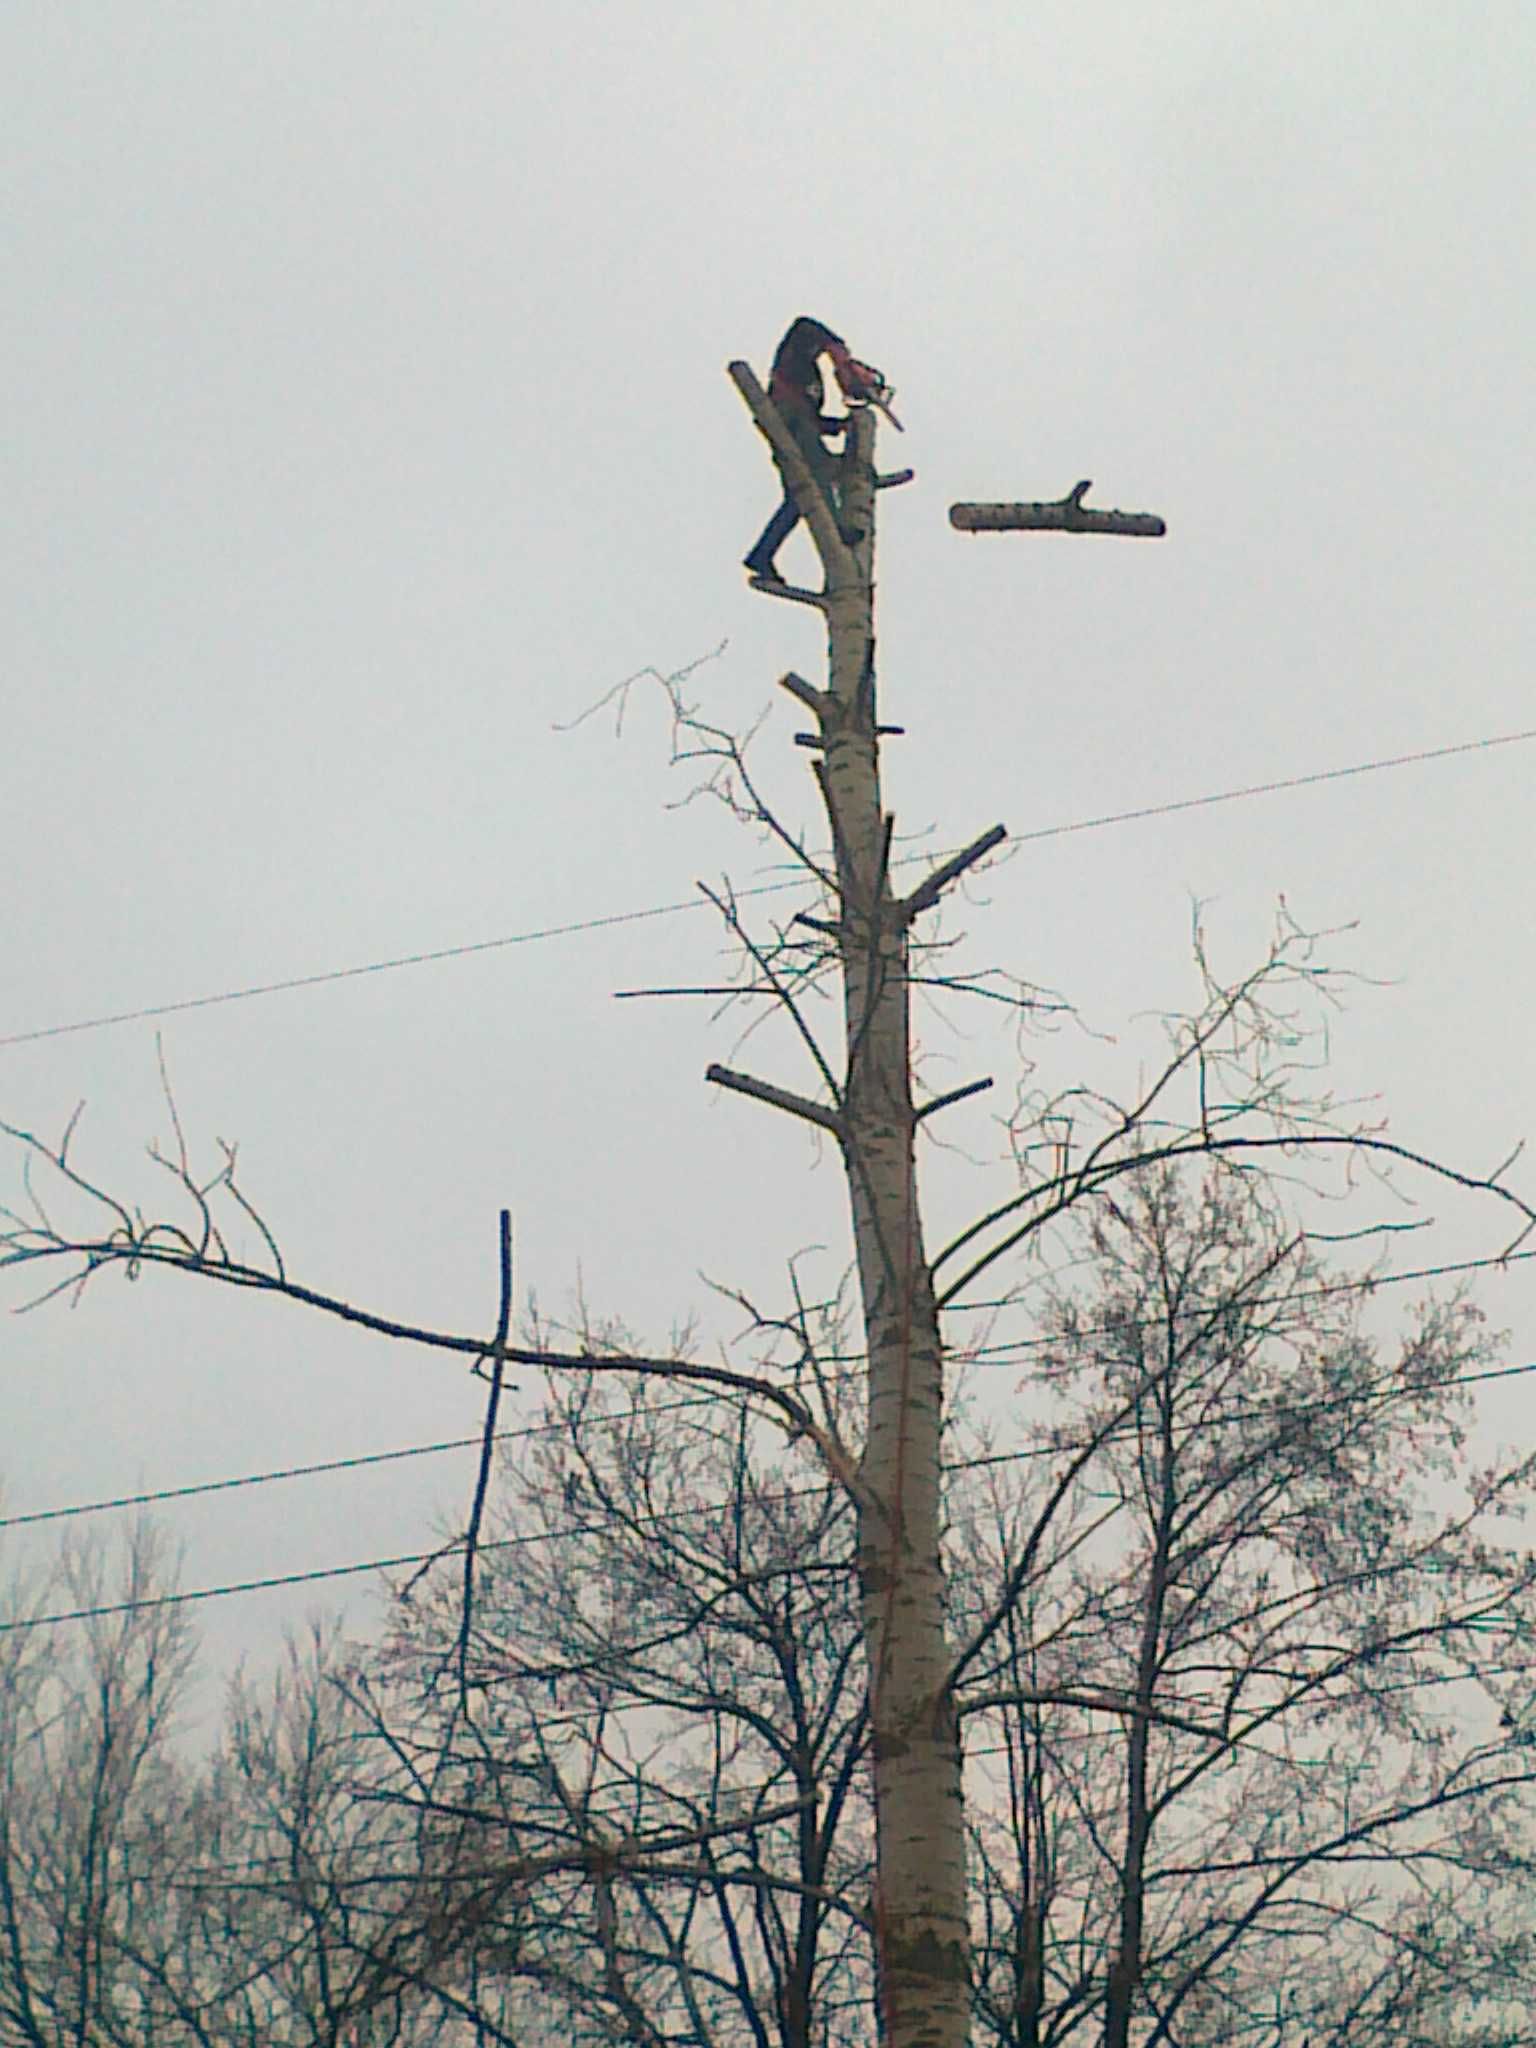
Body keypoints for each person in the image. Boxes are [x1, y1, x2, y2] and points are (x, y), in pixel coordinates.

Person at [743, 317, 882, 582]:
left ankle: (762, 554)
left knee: (798, 499)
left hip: (798, 424)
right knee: (819, 473)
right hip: (788, 421)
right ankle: (839, 527)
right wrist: (840, 354)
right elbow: (804, 325)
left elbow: (814, 422)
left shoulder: (813, 383)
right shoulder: (797, 355)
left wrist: (841, 425)